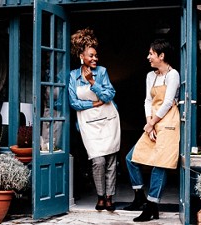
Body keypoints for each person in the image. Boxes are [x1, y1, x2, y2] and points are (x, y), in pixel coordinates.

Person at [123, 39, 180, 222]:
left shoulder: (173, 75)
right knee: (131, 158)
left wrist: (153, 122)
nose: (148, 57)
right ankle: (139, 196)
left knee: (160, 165)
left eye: (151, 54)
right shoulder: (150, 76)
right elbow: (148, 101)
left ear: (161, 56)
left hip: (168, 122)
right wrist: (149, 124)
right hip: (153, 122)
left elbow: (168, 102)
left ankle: (152, 206)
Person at [68, 28, 121, 211]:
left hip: (108, 120)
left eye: (96, 56)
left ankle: (109, 197)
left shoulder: (102, 72)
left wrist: (92, 82)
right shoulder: (73, 76)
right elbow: (74, 102)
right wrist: (93, 105)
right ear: (81, 55)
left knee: (111, 161)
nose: (95, 59)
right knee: (98, 161)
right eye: (91, 55)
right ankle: (100, 195)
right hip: (88, 124)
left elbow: (109, 95)